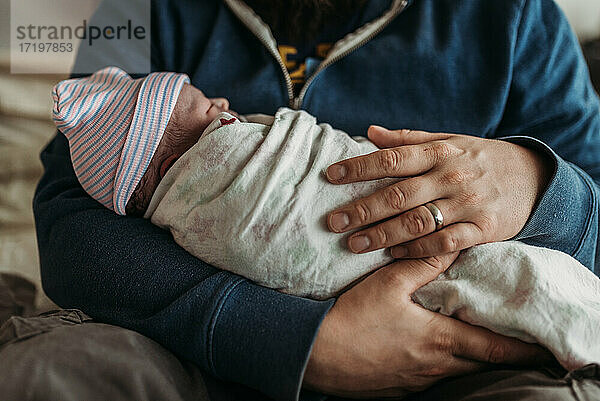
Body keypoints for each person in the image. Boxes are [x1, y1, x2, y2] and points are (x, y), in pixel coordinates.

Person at [33, 0, 600, 399]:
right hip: (193, 350)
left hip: (453, 360)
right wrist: (288, 342)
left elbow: (592, 192)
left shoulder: (517, 14)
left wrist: (535, 183)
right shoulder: (136, 8)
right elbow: (68, 220)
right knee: (51, 375)